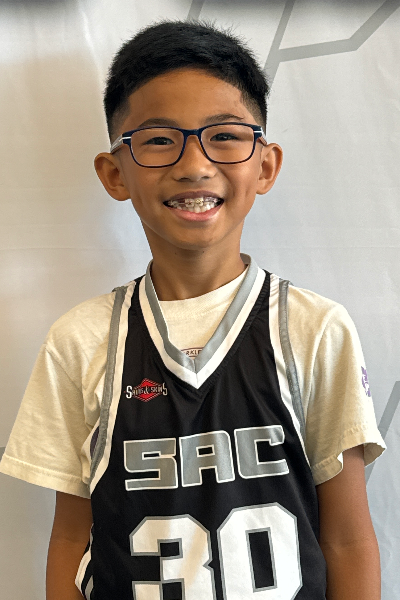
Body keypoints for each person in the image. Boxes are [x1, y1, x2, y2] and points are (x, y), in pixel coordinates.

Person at [0, 20, 386, 600]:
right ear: (114, 173)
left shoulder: (314, 328)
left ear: (265, 165)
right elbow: (71, 539)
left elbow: (348, 541)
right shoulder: (79, 340)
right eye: (159, 140)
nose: (194, 164)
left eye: (224, 135)